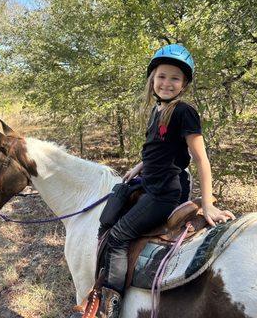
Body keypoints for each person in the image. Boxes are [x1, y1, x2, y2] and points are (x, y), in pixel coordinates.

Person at [71, 44, 235, 318]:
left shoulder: (184, 112)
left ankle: (111, 302)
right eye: (162, 76)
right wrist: (138, 167)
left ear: (184, 84)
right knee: (112, 210)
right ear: (152, 79)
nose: (167, 83)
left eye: (175, 78)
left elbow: (201, 159)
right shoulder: (158, 111)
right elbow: (159, 149)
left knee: (121, 234)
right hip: (149, 182)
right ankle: (103, 280)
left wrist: (207, 205)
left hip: (164, 193)